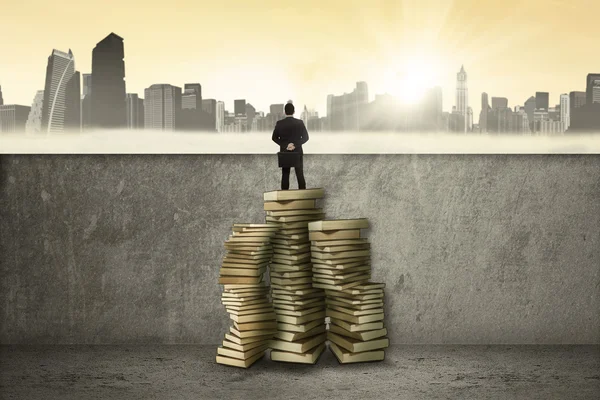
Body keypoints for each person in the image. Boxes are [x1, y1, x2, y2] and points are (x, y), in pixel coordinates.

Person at [271, 102, 309, 190]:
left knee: (285, 174)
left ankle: (284, 197)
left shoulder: (280, 123)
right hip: (297, 152)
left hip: (285, 152)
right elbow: (306, 137)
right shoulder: (299, 123)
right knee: (299, 174)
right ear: (294, 111)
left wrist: (286, 145)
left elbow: (274, 138)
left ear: (285, 112)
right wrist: (295, 145)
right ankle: (303, 196)